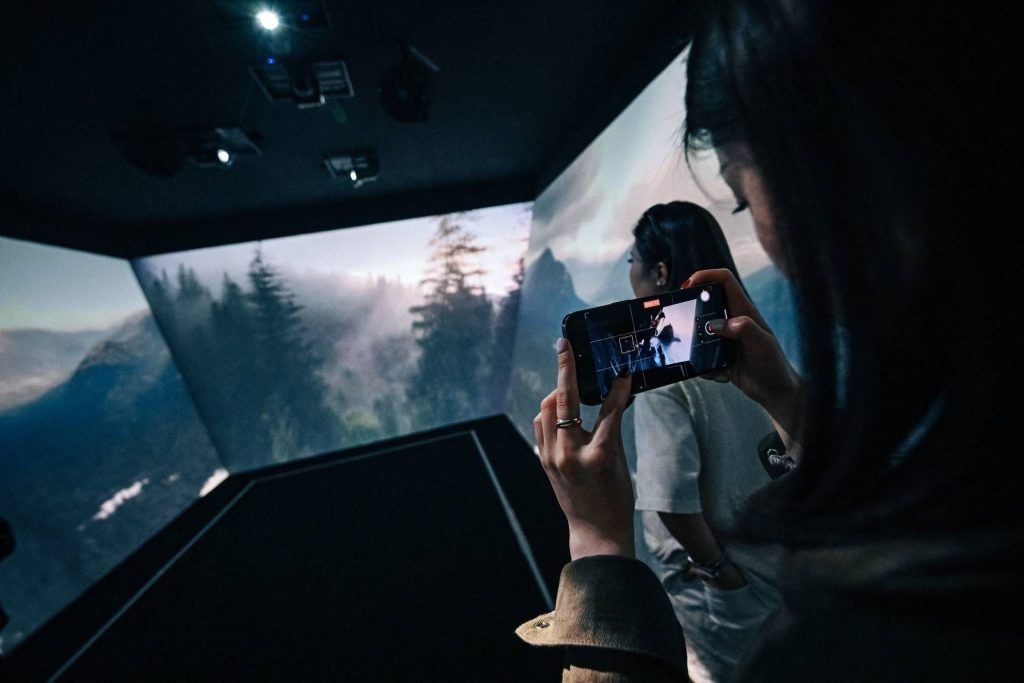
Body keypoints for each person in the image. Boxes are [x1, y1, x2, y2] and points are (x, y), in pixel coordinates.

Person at [518, 2, 1021, 680]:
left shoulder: (879, 632)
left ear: (830, 173)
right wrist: (784, 395)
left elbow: (672, 502)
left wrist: (600, 549)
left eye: (746, 198)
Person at [627, 201, 781, 682]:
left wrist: (718, 572)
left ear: (659, 271)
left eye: (632, 261)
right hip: (778, 558)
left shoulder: (661, 366)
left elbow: (671, 500)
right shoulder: (752, 338)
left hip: (727, 582)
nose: (630, 273)